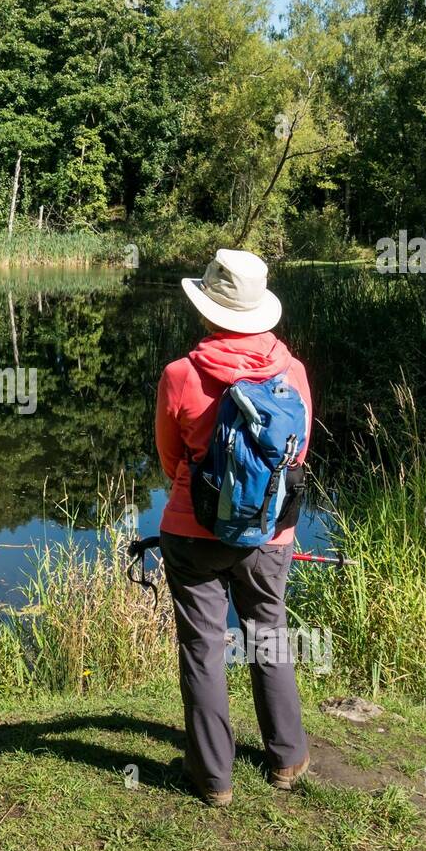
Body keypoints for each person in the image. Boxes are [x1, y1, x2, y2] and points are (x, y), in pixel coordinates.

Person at [155, 248, 312, 806]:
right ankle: (287, 759)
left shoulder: (180, 374)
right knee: (268, 635)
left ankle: (212, 779)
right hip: (271, 533)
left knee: (203, 648)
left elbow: (171, 459)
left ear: (209, 309)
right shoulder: (291, 371)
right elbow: (296, 454)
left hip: (192, 531)